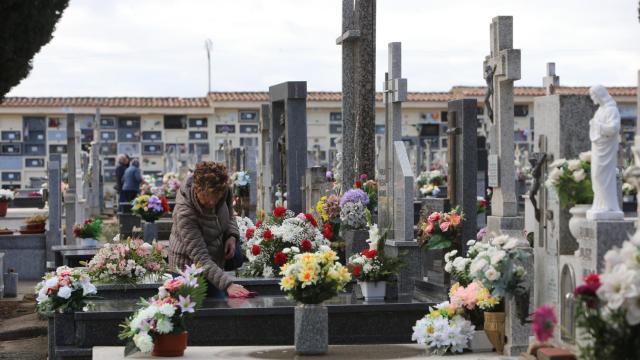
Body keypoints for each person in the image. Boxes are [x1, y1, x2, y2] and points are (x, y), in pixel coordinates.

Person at [168, 161, 250, 298]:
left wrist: (231, 236)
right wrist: (228, 285)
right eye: (206, 198)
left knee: (221, 306)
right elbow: (200, 257)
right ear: (197, 188)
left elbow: (229, 215)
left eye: (216, 198)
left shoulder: (224, 191)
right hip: (187, 269)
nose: (212, 203)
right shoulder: (184, 213)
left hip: (214, 262)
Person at [587, 85, 623, 220]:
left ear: (600, 95)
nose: (592, 98)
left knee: (604, 176)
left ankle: (609, 205)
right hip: (598, 147)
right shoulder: (600, 110)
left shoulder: (611, 110)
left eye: (593, 96)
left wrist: (598, 126)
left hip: (607, 149)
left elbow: (614, 128)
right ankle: (599, 204)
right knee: (595, 176)